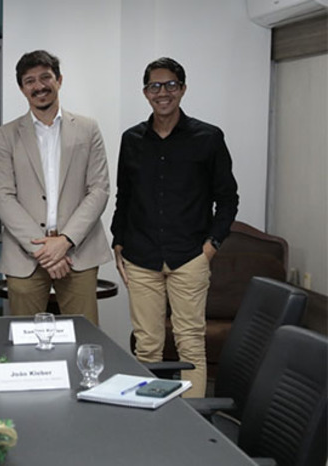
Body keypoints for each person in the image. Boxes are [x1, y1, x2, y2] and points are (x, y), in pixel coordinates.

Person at [110, 57, 239, 398]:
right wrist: (118, 241)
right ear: (145, 92)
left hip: (189, 257)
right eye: (155, 86)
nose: (162, 92)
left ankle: (192, 428)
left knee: (191, 344)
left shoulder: (208, 138)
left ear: (182, 89)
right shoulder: (132, 139)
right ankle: (151, 425)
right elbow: (125, 195)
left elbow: (227, 199)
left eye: (170, 85)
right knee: (147, 345)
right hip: (140, 256)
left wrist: (210, 247)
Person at [0, 50, 112, 325]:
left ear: (59, 80)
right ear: (22, 88)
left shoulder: (87, 128)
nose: (39, 86)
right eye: (30, 81)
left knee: (84, 337)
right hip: (25, 254)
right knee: (24, 342)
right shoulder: (6, 135)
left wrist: (65, 240)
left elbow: (99, 189)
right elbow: (3, 196)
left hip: (78, 251)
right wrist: (44, 250)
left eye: (45, 77)